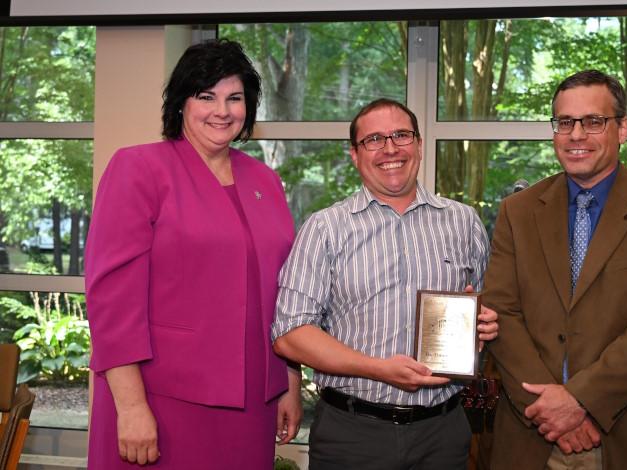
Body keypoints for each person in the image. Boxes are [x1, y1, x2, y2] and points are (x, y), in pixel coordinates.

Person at [84, 39, 301, 469]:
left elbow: (282, 294)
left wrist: (288, 381)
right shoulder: (139, 169)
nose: (222, 110)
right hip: (160, 400)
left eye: (234, 97)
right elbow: (112, 300)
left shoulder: (265, 181)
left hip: (252, 404)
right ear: (182, 103)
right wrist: (130, 407)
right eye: (207, 96)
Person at [482, 70, 627, 470]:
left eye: (593, 122)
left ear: (621, 129)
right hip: (532, 433)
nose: (576, 135)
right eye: (564, 122)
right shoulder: (518, 212)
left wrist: (580, 401)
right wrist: (550, 409)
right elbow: (502, 312)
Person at [272, 98, 499, 469]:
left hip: (442, 433)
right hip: (352, 434)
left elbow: (484, 310)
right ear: (355, 155)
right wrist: (377, 368)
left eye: (401, 135)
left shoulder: (464, 222)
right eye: (374, 139)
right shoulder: (325, 229)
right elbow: (290, 333)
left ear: (420, 145)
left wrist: (485, 324)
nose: (390, 148)